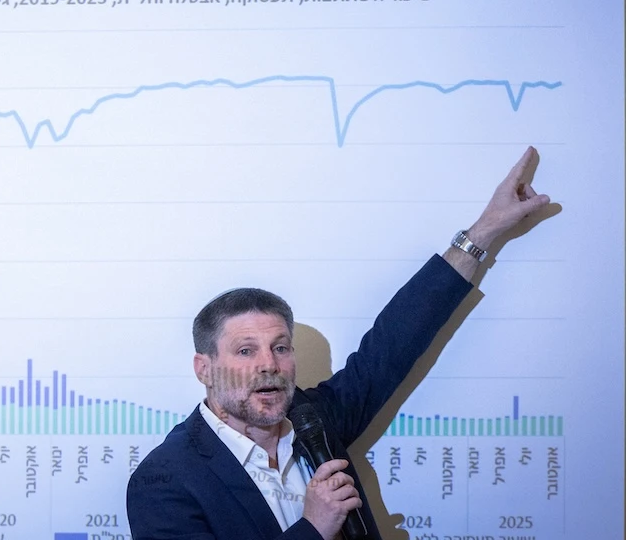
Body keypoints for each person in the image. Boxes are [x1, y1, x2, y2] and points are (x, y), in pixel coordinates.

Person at [126, 147, 551, 540]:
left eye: (280, 347)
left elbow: (394, 343)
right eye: (245, 350)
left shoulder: (313, 420)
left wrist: (484, 231)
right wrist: (313, 528)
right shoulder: (165, 480)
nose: (268, 364)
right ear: (204, 369)